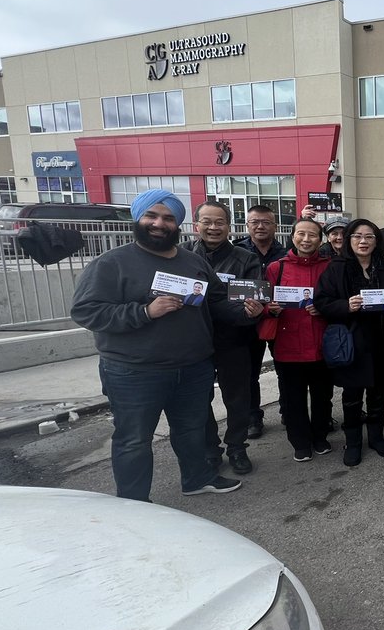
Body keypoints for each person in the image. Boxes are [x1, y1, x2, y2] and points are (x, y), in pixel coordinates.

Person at [71, 189, 253, 500]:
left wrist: (246, 311)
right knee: (133, 439)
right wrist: (144, 312)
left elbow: (216, 303)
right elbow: (86, 311)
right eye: (152, 216)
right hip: (134, 371)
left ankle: (197, 479)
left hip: (192, 366)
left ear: (178, 224)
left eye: (168, 218)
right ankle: (135, 500)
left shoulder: (193, 262)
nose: (160, 223)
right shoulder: (112, 263)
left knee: (192, 430)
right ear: (138, 219)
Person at [313, 218, 384, 464]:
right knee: (352, 397)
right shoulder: (337, 268)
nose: (363, 241)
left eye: (369, 237)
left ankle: (376, 437)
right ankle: (353, 442)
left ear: (377, 241)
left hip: (382, 341)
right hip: (353, 343)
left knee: (378, 394)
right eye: (357, 236)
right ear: (349, 240)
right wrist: (346, 305)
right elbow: (321, 302)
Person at [186, 200, 265, 476]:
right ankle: (210, 449)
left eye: (220, 222)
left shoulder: (247, 259)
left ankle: (237, 447)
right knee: (199, 399)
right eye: (207, 221)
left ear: (229, 226)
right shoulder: (182, 256)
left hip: (234, 338)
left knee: (237, 397)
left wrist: (254, 311)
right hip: (194, 341)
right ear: (197, 225)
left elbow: (254, 301)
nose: (213, 227)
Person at [264, 218, 333, 463]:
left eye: (312, 235)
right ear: (292, 237)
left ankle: (321, 436)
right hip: (287, 345)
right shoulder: (276, 268)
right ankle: (300, 442)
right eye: (301, 234)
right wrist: (270, 309)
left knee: (322, 396)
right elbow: (263, 303)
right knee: (293, 399)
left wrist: (324, 309)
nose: (306, 239)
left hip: (321, 344)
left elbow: (336, 300)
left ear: (320, 239)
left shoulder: (329, 266)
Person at [236, 203, 289, 439]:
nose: (260, 226)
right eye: (254, 222)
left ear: (275, 226)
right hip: (247, 320)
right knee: (249, 373)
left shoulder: (286, 252)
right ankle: (253, 417)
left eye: (266, 222)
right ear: (247, 225)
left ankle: (288, 410)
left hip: (280, 318)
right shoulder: (237, 252)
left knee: (285, 369)